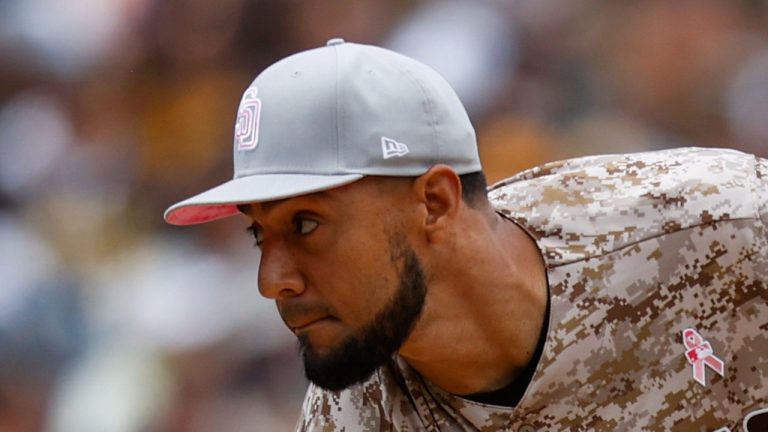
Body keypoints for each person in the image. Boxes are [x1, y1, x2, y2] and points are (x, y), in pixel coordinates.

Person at [164, 39, 768, 431]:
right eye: (257, 234)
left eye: (305, 224)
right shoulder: (355, 418)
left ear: (434, 201)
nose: (273, 281)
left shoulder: (716, 222)